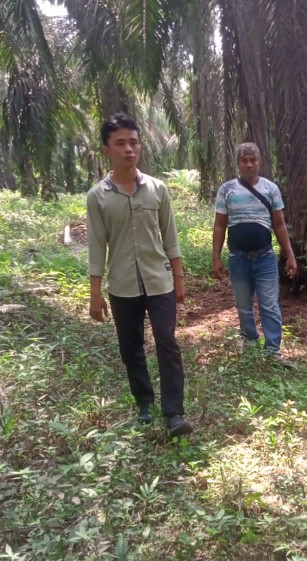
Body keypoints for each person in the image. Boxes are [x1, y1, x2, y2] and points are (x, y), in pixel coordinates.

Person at [86, 113, 193, 437]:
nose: (128, 149)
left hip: (159, 281)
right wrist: (94, 293)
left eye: (133, 142)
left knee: (167, 341)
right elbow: (96, 246)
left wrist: (179, 278)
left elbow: (170, 237)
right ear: (106, 150)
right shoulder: (98, 196)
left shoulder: (157, 190)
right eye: (120, 143)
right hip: (122, 286)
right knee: (130, 347)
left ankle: (174, 413)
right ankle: (144, 403)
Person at [212, 142, 298, 359]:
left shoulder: (270, 189)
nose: (249, 164)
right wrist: (216, 258)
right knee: (243, 305)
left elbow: (279, 225)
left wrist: (290, 255)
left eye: (253, 160)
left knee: (269, 304)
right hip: (238, 259)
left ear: (259, 162)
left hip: (265, 257)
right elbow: (220, 225)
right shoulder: (227, 189)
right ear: (238, 163)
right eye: (244, 160)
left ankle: (272, 351)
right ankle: (250, 344)